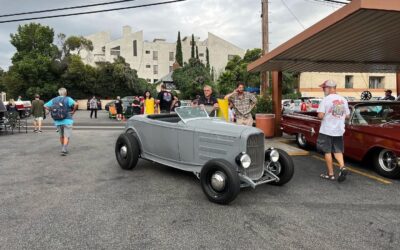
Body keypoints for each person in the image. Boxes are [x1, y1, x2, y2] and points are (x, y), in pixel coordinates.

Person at [317, 80, 350, 182]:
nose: (323, 90)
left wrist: (320, 115)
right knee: (338, 150)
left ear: (329, 88)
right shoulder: (343, 100)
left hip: (327, 130)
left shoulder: (325, 100)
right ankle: (342, 167)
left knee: (327, 151)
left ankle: (330, 174)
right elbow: (348, 116)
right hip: (339, 130)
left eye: (324, 88)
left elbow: (320, 116)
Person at [44, 88, 78, 156]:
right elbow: (76, 104)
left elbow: (45, 105)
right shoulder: (68, 99)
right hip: (67, 120)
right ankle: (64, 149)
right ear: (65, 93)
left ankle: (63, 147)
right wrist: (73, 111)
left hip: (57, 120)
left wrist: (51, 109)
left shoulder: (54, 99)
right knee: (66, 136)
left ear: (59, 93)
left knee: (61, 136)